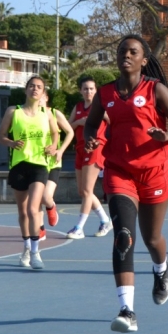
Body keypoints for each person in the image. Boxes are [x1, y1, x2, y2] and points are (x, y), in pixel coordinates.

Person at [83, 35, 168, 334]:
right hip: (119, 172)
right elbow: (92, 123)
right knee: (124, 237)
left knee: (152, 239)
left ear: (144, 60)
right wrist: (90, 136)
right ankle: (127, 310)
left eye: (133, 52)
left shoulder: (155, 90)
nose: (126, 56)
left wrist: (165, 137)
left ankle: (161, 270)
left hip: (154, 172)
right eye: (122, 51)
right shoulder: (105, 93)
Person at [0, 76, 60, 271]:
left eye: (39, 87)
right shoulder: (13, 112)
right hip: (18, 165)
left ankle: (35, 252)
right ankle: (25, 247)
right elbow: (0, 136)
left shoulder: (46, 113)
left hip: (39, 165)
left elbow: (56, 133)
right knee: (23, 212)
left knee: (34, 209)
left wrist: (53, 146)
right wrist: (11, 143)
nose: (35, 89)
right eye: (32, 86)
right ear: (25, 90)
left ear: (43, 93)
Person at [66, 76, 113, 239]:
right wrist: (79, 122)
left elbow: (114, 121)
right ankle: (105, 220)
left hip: (95, 148)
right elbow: (67, 127)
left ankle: (79, 227)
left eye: (92, 88)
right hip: (80, 148)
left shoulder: (100, 107)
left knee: (87, 190)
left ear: (96, 90)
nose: (88, 91)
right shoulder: (78, 107)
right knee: (82, 191)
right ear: (80, 91)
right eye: (85, 88)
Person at [37, 89, 75, 239]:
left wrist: (60, 150)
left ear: (46, 98)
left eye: (42, 97)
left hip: (52, 162)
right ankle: (40, 229)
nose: (38, 99)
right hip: (36, 161)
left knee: (46, 196)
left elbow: (70, 132)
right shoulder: (29, 115)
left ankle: (51, 206)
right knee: (35, 197)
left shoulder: (54, 113)